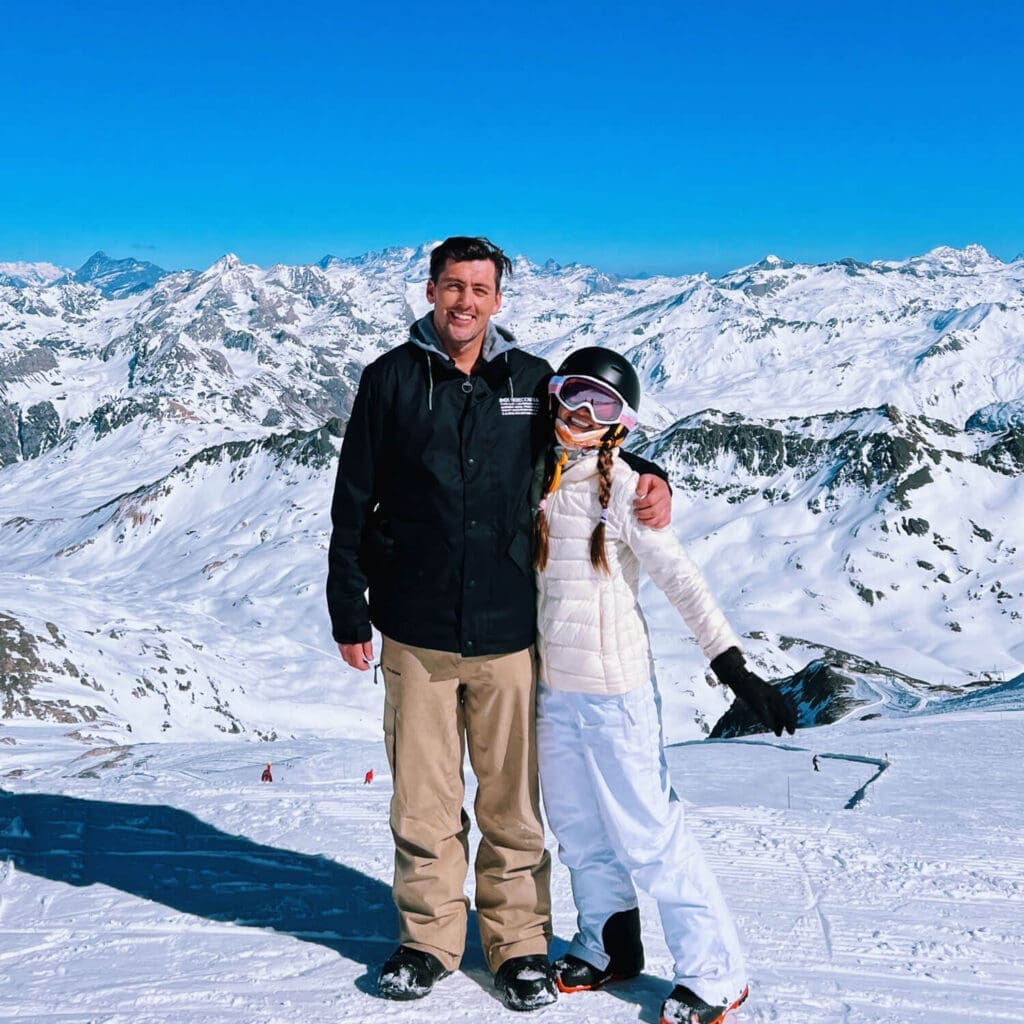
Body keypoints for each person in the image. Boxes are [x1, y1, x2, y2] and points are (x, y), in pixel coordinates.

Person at [325, 237, 673, 1010]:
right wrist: (350, 610)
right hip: (414, 630)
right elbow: (353, 501)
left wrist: (655, 478)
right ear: (430, 290)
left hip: (510, 629)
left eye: (480, 289)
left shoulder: (531, 381)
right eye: (453, 287)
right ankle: (429, 940)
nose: (465, 303)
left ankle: (517, 944)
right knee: (423, 799)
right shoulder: (389, 380)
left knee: (513, 802)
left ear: (499, 300)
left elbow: (595, 444)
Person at [532, 346, 797, 1024]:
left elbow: (682, 579)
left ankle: (716, 974)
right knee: (578, 829)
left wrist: (731, 665)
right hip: (553, 692)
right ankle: (608, 945)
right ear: (554, 395)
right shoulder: (530, 472)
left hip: (616, 692)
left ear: (622, 423)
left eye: (605, 406)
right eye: (576, 396)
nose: (585, 415)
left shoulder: (622, 487)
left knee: (648, 836)